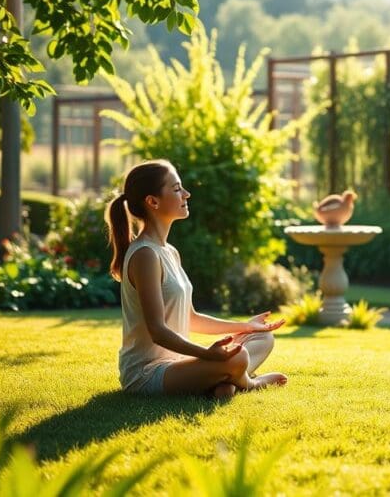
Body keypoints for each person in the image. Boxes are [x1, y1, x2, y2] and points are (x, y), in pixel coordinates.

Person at [104, 159, 287, 398]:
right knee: (239, 356)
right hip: (148, 374)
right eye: (177, 189)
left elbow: (191, 319)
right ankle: (248, 383)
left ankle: (225, 382)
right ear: (153, 201)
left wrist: (246, 326)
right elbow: (158, 331)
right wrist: (207, 354)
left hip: (181, 364)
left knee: (262, 337)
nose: (187, 194)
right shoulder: (145, 255)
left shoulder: (169, 252)